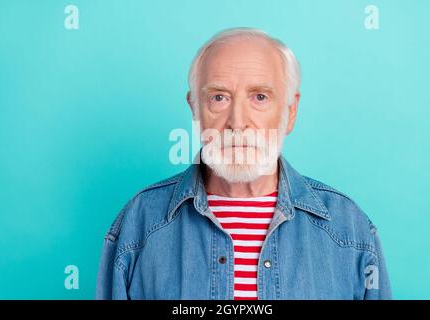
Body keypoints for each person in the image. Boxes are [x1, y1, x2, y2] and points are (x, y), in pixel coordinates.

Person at [95, 27, 392, 300]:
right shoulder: (139, 224)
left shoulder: (349, 229)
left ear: (290, 112)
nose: (237, 123)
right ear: (195, 109)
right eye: (219, 97)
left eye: (260, 97)